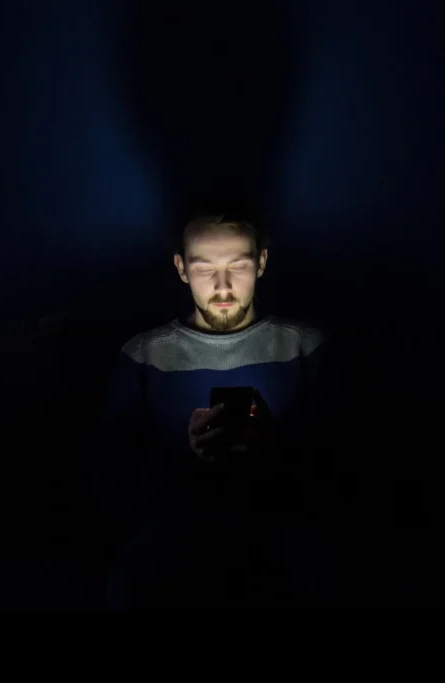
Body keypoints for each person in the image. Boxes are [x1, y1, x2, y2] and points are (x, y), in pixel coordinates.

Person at [95, 214, 331, 608]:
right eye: (205, 268)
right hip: (175, 528)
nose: (222, 287)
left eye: (237, 266)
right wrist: (185, 456)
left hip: (279, 522)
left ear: (261, 263)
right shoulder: (144, 354)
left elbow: (345, 463)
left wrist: (275, 448)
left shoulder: (305, 346)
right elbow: (111, 475)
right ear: (181, 268)